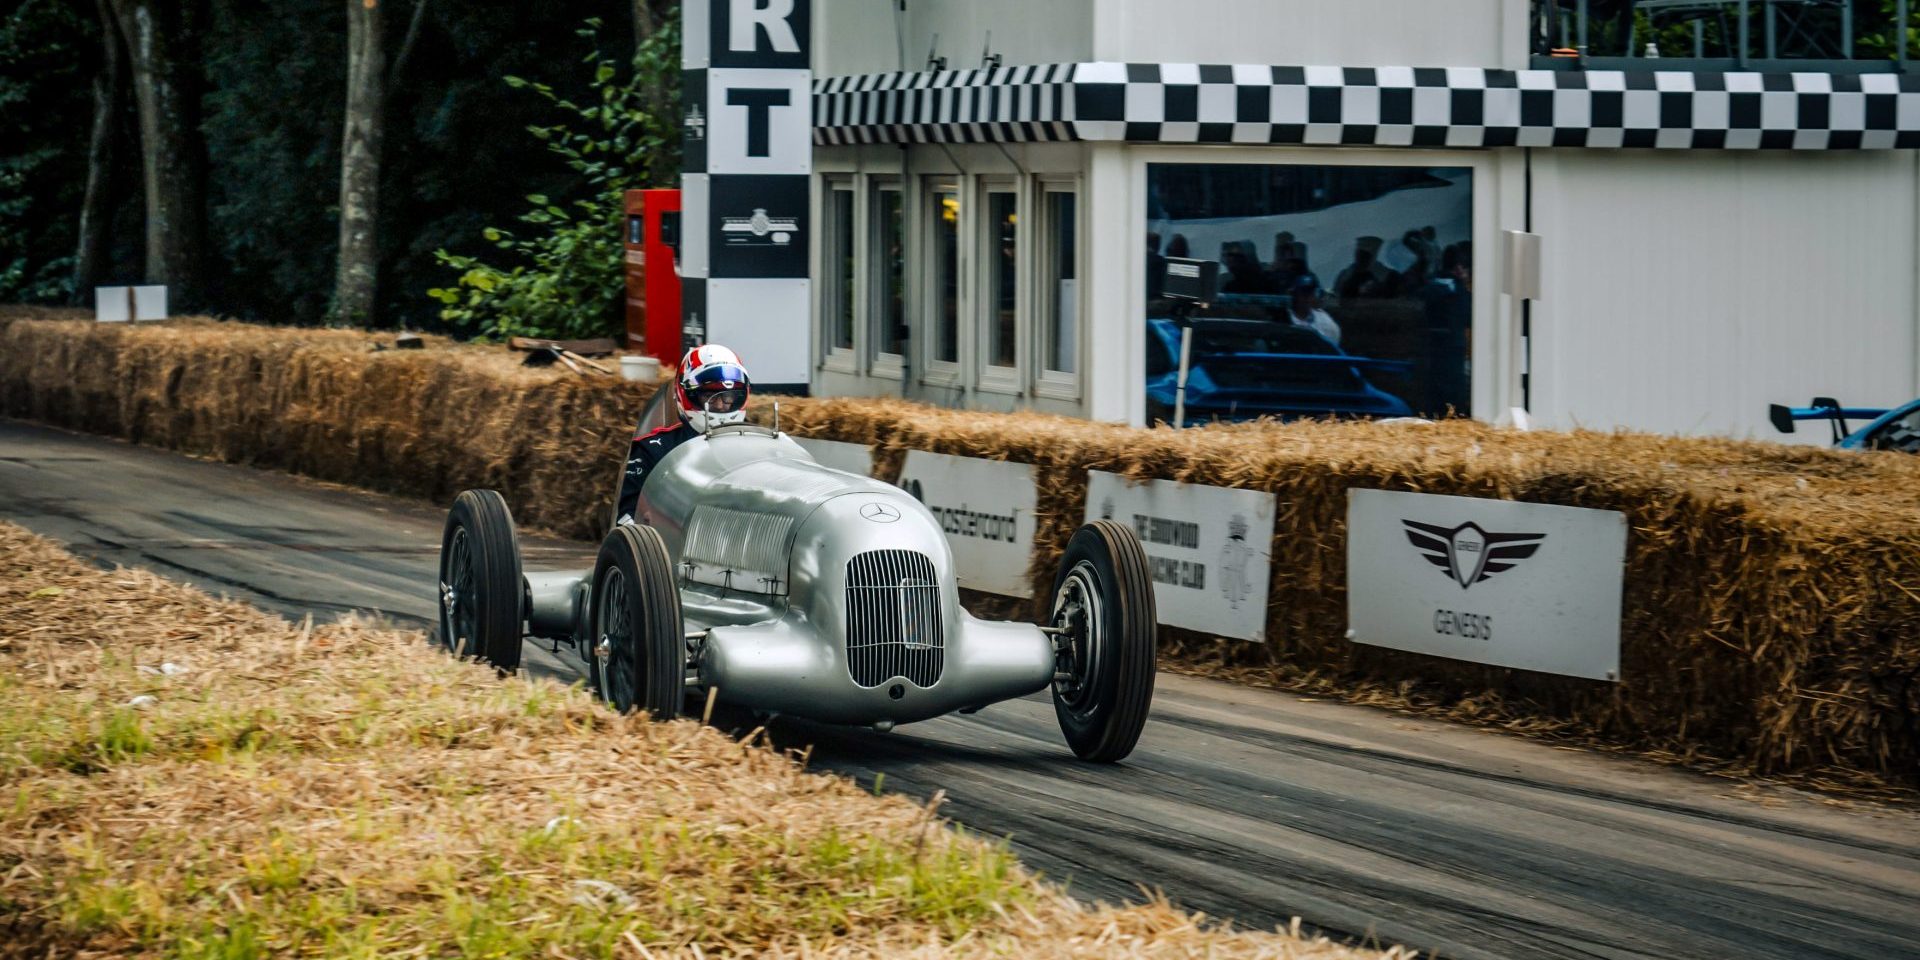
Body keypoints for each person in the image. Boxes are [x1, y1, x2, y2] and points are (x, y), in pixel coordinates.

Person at [612, 344, 751, 526]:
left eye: (728, 396)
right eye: (710, 396)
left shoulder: (761, 445)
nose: (719, 406)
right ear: (686, 394)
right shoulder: (654, 448)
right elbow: (627, 521)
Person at [1333, 236, 1398, 300]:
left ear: (1374, 255)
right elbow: (1337, 299)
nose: (1361, 258)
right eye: (1359, 253)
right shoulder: (1344, 276)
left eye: (1365, 255)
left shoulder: (1390, 277)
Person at [1285, 274, 1341, 346]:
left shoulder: (1326, 322)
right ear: (1294, 295)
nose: (1307, 298)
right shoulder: (1283, 318)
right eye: (1303, 293)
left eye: (1310, 293)